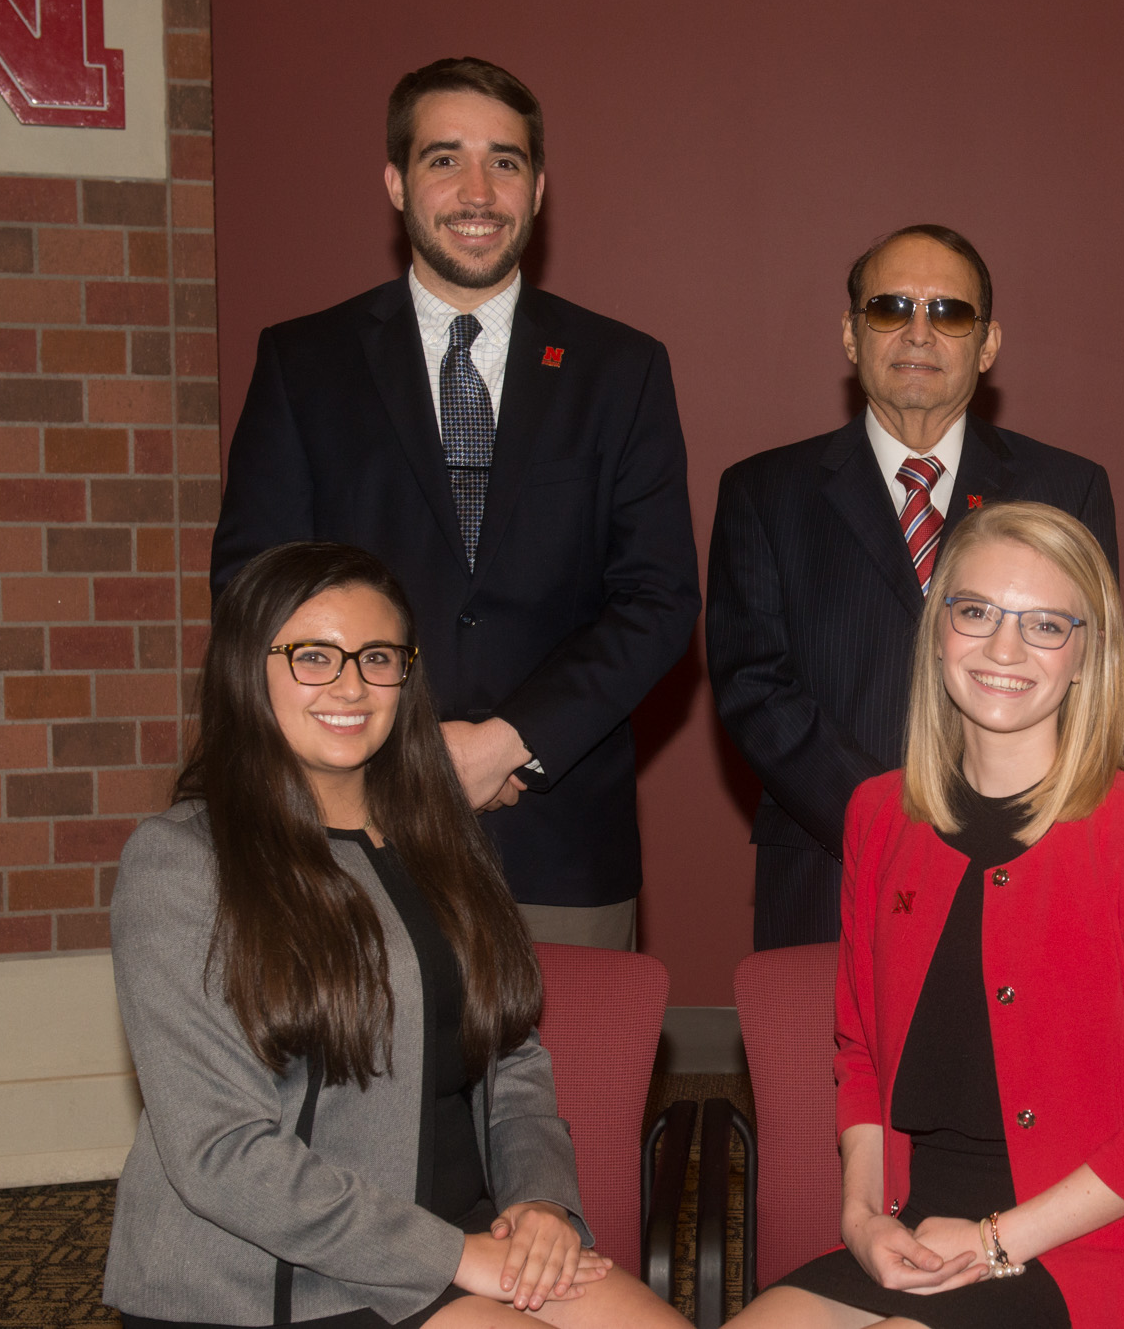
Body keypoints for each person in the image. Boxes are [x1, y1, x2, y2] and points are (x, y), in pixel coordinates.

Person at [103, 542, 690, 1329]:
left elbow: (510, 1054)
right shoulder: (183, 862)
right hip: (279, 1278)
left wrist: (540, 1201)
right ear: (250, 666)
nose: (350, 684)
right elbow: (220, 1155)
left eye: (376, 656)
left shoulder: (440, 838)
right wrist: (456, 1256)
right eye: (314, 656)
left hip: (467, 1230)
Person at [210, 57, 699, 951]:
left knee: (572, 1091)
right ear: (396, 182)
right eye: (445, 159)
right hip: (349, 830)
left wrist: (507, 741)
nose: (478, 190)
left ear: (540, 187)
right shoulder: (303, 364)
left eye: (505, 162)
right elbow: (256, 590)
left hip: (558, 842)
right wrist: (402, 749)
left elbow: (660, 599)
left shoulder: (621, 370)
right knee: (365, 1090)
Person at [731, 502, 1124, 1329]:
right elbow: (858, 1052)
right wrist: (862, 1221)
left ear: (1085, 656)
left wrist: (998, 1240)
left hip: (1084, 1247)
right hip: (915, 1226)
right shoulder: (878, 814)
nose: (1005, 649)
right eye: (977, 613)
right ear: (938, 633)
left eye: (1043, 624)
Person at [708, 224, 1118, 950]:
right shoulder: (763, 493)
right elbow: (754, 688)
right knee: (819, 1065)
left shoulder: (1068, 489)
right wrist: (889, 820)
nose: (919, 333)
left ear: (988, 345)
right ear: (850, 334)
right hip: (827, 858)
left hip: (1026, 855)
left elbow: (1089, 678)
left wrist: (988, 825)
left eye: (949, 313)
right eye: (891, 309)